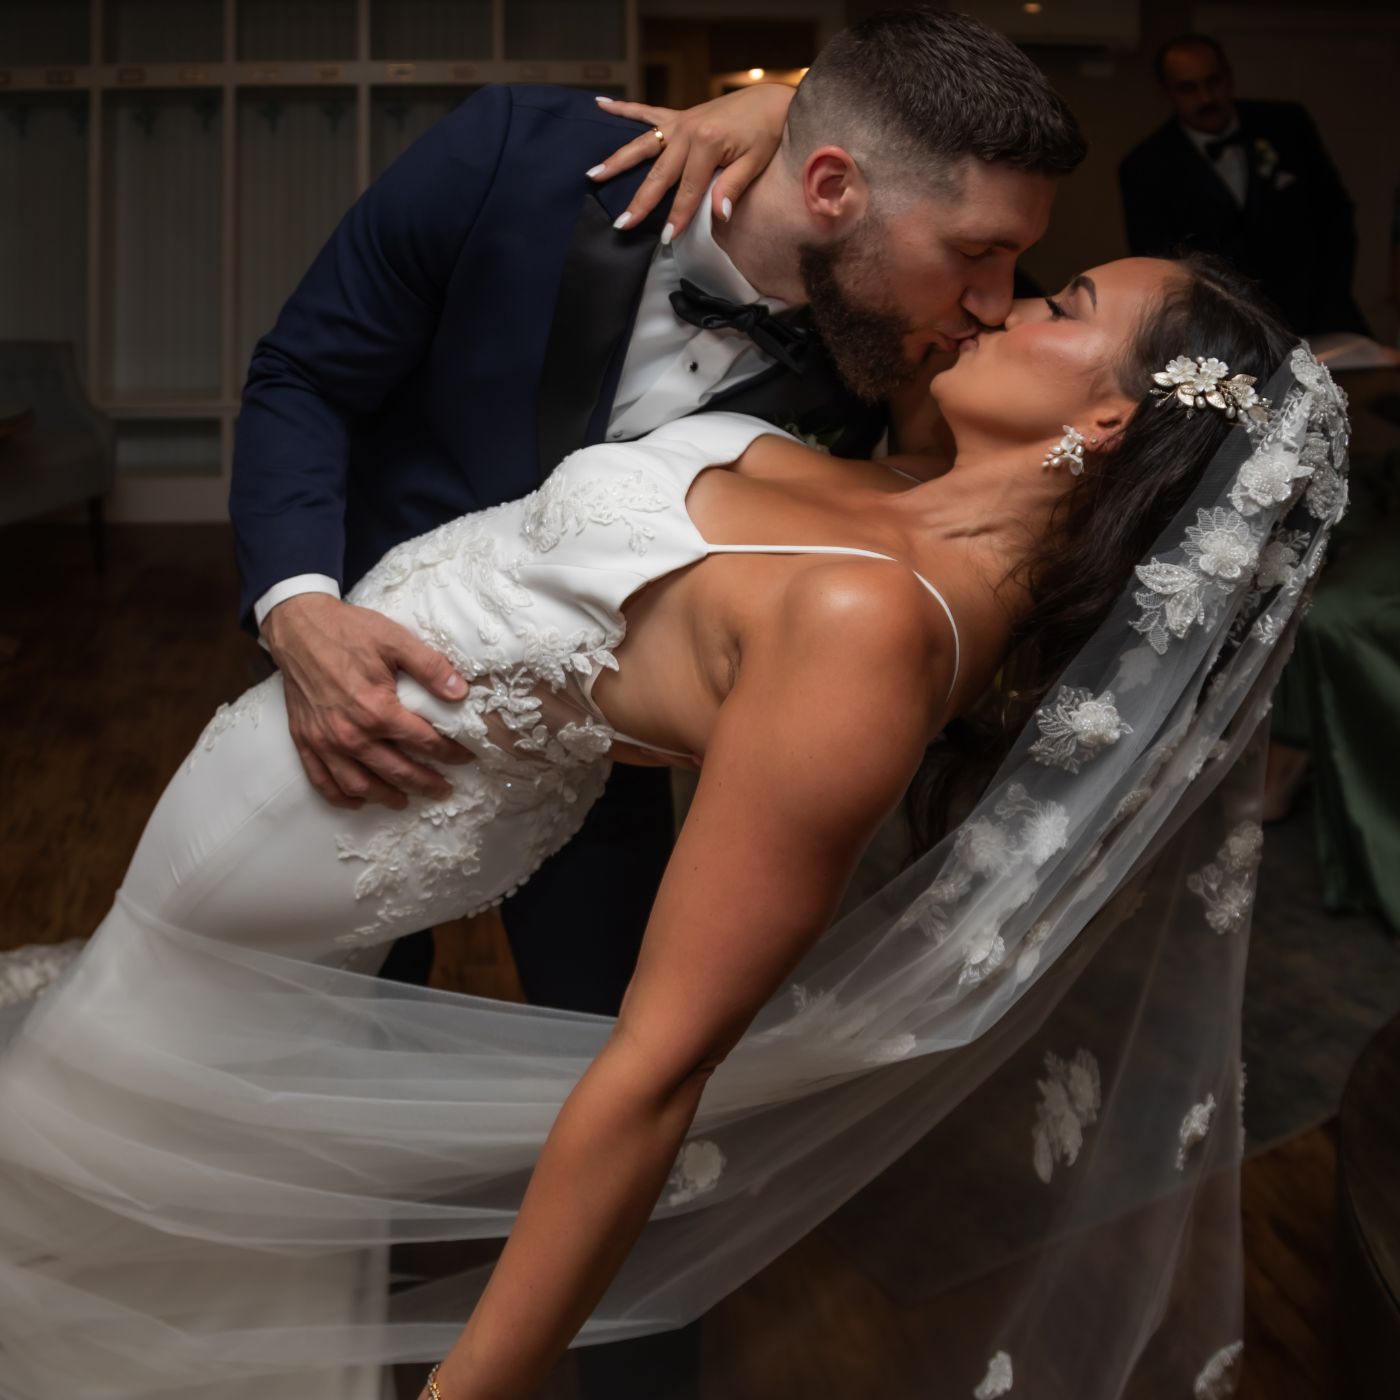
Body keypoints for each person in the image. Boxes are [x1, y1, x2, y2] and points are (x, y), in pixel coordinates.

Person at [0, 251, 1347, 1400]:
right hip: (269, 819)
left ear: (1109, 421)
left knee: (71, 1208)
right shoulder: (887, 485)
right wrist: (741, 136)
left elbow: (658, 1067)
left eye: (1060, 302)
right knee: (184, 1219)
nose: (1001, 305)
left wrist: (478, 1387)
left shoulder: (874, 633)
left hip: (294, 856)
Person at [231, 13, 1083, 1388]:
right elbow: (304, 380)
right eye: (977, 256)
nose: (993, 298)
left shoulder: (895, 339)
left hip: (602, 770)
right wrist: (298, 606)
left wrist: (788, 100)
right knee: (307, 1077)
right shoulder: (513, 156)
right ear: (830, 191)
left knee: (636, 1104)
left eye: (1013, 266)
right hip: (355, 716)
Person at [1119, 32, 1370, 338]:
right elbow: (1158, 264)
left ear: (1230, 77)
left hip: (1320, 313)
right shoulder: (1144, 165)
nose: (1206, 98)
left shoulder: (1287, 125)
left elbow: (1335, 216)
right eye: (1188, 88)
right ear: (1166, 92)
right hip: (1222, 331)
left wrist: (1329, 295)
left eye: (1214, 81)